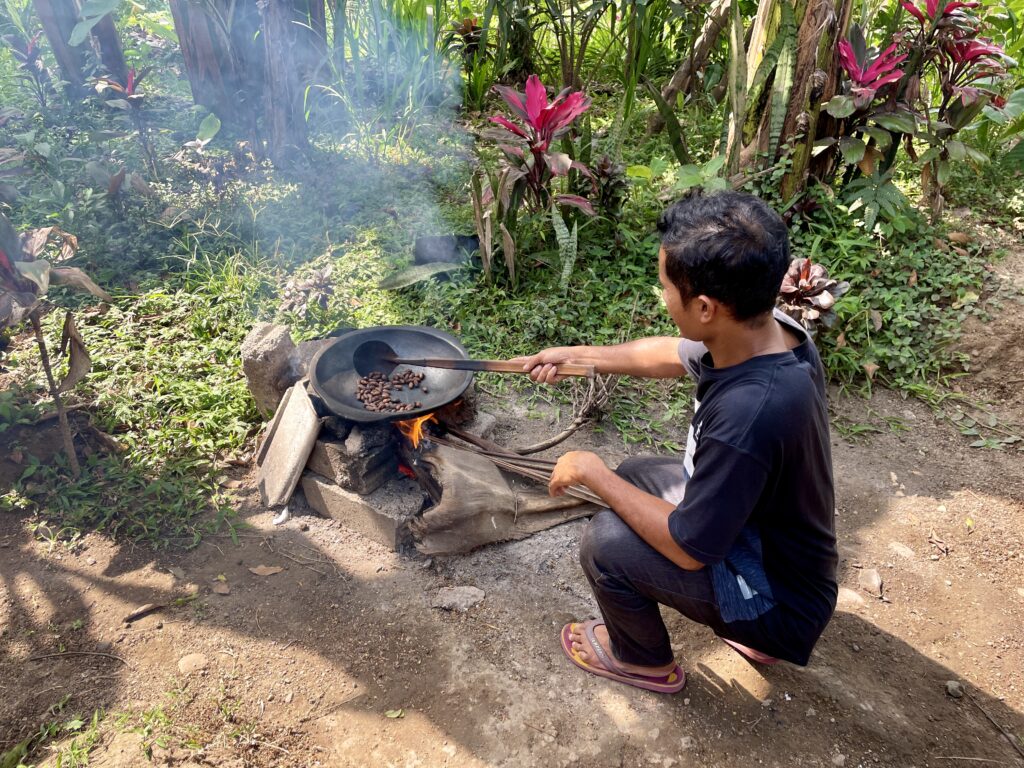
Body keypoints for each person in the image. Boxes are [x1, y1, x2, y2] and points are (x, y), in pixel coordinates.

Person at [517, 191, 838, 694]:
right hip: (777, 550)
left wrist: (589, 471)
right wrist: (576, 355)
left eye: (666, 285)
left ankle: (644, 660)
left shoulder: (749, 414)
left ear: (706, 307)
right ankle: (740, 627)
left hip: (778, 599)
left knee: (605, 541)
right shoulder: (768, 332)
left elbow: (689, 550)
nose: (661, 293)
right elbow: (668, 352)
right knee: (639, 474)